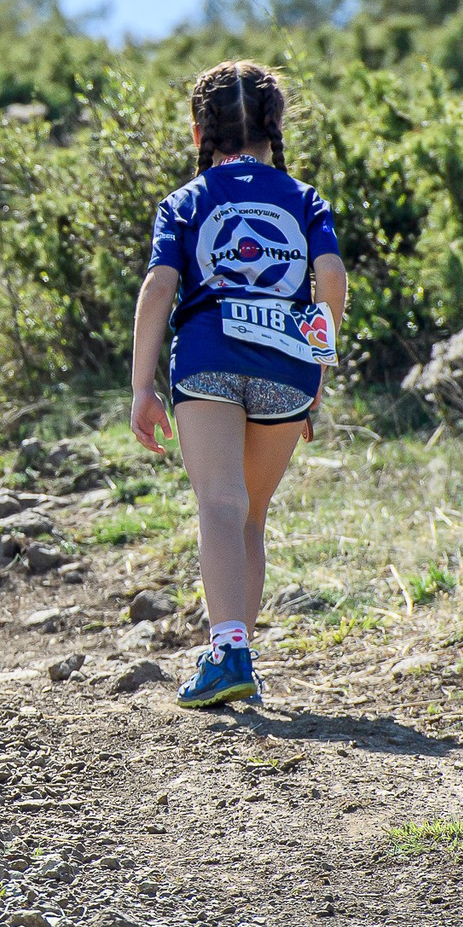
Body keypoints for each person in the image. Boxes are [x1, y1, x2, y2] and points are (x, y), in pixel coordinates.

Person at [129, 61, 346, 708]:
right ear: (276, 126)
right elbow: (330, 281)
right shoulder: (304, 200)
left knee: (219, 506)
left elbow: (159, 287)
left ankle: (228, 653)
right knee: (250, 515)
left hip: (209, 358)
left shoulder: (186, 202)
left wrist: (143, 386)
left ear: (200, 128)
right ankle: (239, 656)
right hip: (288, 365)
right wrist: (319, 381)